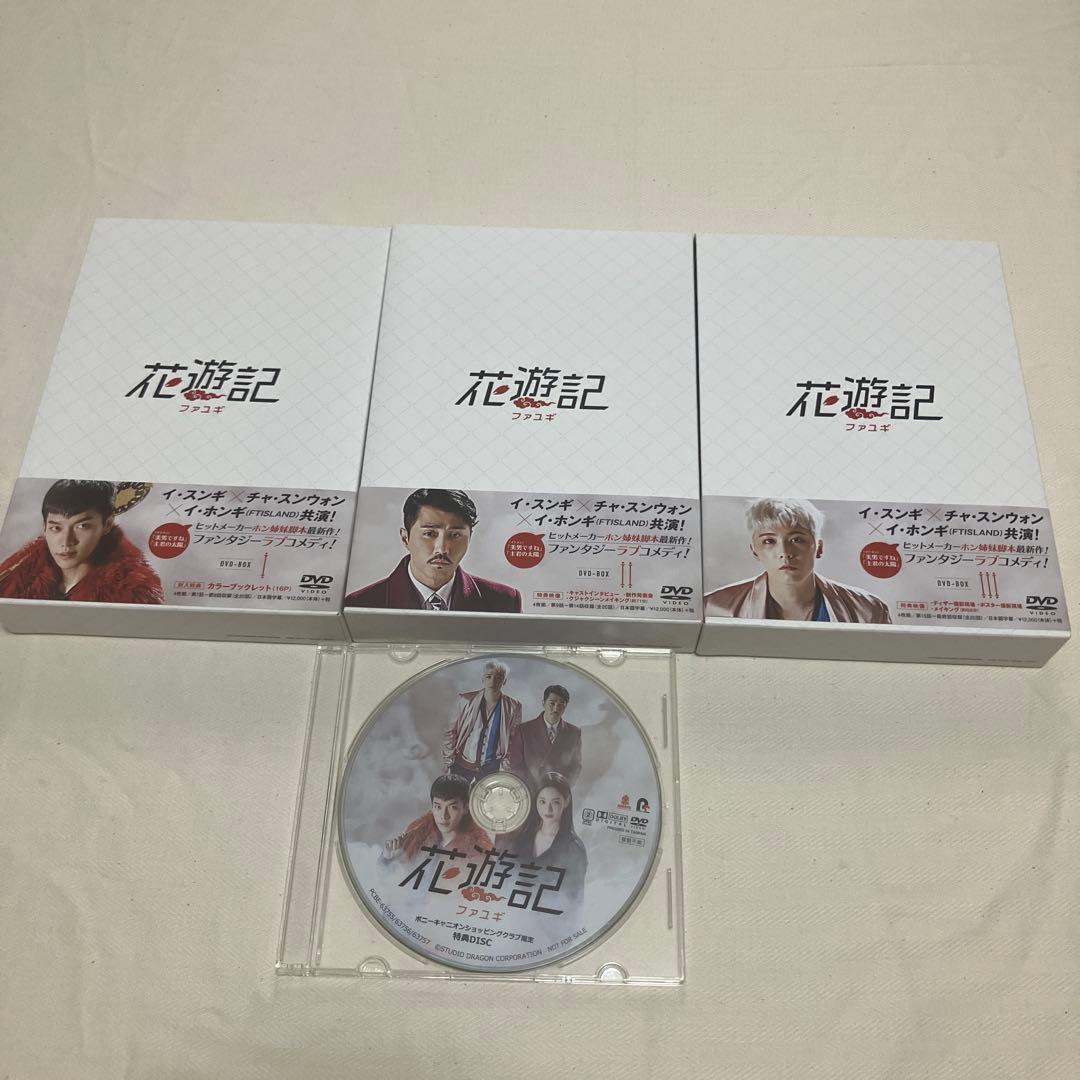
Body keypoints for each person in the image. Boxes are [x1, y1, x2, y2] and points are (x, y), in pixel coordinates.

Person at [703, 497, 891, 623]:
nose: (785, 552)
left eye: (797, 540)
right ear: (755, 551)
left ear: (819, 548)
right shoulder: (715, 607)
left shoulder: (868, 610)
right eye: (769, 541)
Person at [343, 488, 522, 612]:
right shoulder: (360, 604)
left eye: (455, 535)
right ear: (405, 538)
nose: (442, 548)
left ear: (470, 538)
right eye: (429, 534)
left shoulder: (505, 602)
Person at [0, 479, 164, 604]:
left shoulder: (132, 593)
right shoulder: (14, 581)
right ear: (44, 527)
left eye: (82, 526)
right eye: (56, 528)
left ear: (107, 524)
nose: (66, 541)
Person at [501, 773, 587, 905]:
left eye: (555, 802)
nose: (548, 809)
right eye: (542, 801)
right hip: (514, 909)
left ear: (566, 801)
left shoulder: (574, 848)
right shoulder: (522, 839)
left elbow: (575, 898)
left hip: (550, 914)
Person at [380, 775, 491, 864]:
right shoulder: (418, 833)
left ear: (466, 808)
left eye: (453, 807)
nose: (444, 815)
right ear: (432, 807)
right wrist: (388, 858)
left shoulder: (479, 850)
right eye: (438, 807)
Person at [443, 660, 523, 784]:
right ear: (482, 679)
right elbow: (450, 731)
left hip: (492, 767)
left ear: (504, 681)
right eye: (488, 676)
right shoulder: (464, 700)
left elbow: (514, 739)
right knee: (457, 794)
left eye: (498, 678)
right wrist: (448, 759)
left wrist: (505, 764)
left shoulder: (514, 706)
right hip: (462, 764)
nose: (493, 681)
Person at [504, 684, 582, 789]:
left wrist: (561, 788)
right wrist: (530, 787)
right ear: (543, 703)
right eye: (552, 703)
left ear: (566, 706)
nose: (556, 708)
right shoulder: (523, 730)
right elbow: (515, 765)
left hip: (558, 791)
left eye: (561, 704)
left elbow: (575, 766)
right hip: (529, 789)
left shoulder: (574, 732)